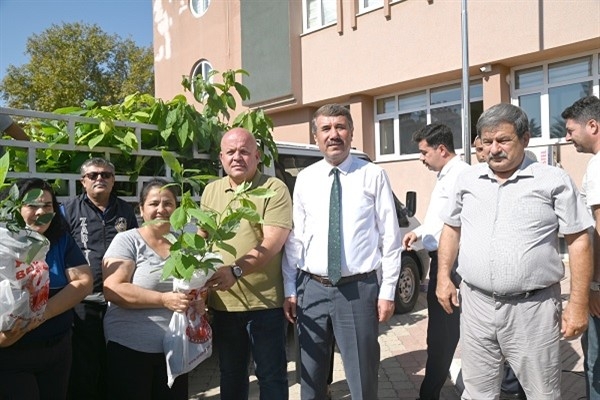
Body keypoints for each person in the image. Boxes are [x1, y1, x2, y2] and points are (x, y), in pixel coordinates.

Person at [436, 103, 593, 399]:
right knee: (477, 392)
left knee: (541, 393)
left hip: (532, 309)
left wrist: (578, 304)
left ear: (525, 138)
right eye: (487, 141)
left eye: (503, 140)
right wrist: (443, 276)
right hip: (476, 305)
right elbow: (451, 229)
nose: (494, 149)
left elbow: (579, 240)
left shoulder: (553, 181)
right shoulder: (467, 180)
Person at [283, 104, 402, 400]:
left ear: (351, 133)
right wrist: (290, 289)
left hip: (358, 290)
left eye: (340, 127)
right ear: (315, 137)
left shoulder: (373, 175)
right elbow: (295, 237)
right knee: (310, 379)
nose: (333, 134)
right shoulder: (305, 179)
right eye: (326, 128)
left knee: (362, 378)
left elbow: (390, 236)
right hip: (311, 288)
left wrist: (387, 291)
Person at [202, 127, 292, 400]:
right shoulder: (211, 191)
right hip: (224, 303)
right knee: (231, 374)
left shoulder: (273, 188)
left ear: (257, 155)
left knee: (270, 374)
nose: (237, 157)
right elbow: (203, 240)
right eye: (230, 152)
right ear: (221, 157)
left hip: (264, 304)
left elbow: (272, 242)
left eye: (244, 151)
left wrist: (236, 270)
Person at [102, 179, 197, 399]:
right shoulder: (127, 241)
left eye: (168, 203)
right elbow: (113, 288)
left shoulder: (185, 245)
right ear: (141, 209)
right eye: (154, 203)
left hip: (175, 349)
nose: (161, 209)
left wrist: (198, 300)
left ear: (177, 210)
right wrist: (163, 299)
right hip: (131, 348)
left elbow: (192, 288)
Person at [0, 178, 93, 399]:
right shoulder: (3, 245)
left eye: (47, 206)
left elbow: (83, 282)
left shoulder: (59, 240)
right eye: (32, 205)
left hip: (57, 349)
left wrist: (40, 315)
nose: (41, 211)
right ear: (14, 208)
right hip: (12, 356)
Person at [402, 123, 469, 400]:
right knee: (439, 335)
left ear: (441, 149)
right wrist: (419, 233)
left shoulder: (461, 176)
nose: (421, 158)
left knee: (442, 337)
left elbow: (456, 227)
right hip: (441, 261)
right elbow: (440, 220)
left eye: (424, 151)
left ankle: (429, 394)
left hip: (451, 266)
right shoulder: (446, 175)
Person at [62, 157, 138, 399]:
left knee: (115, 362)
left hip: (118, 301)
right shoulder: (68, 210)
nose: (100, 179)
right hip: (84, 302)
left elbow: (137, 247)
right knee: (84, 366)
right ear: (83, 181)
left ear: (113, 181)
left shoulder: (125, 210)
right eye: (93, 175)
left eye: (106, 175)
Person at [562, 95, 600, 399]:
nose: (568, 137)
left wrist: (594, 286)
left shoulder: (599, 165)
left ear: (593, 125)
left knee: (597, 368)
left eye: (571, 130)